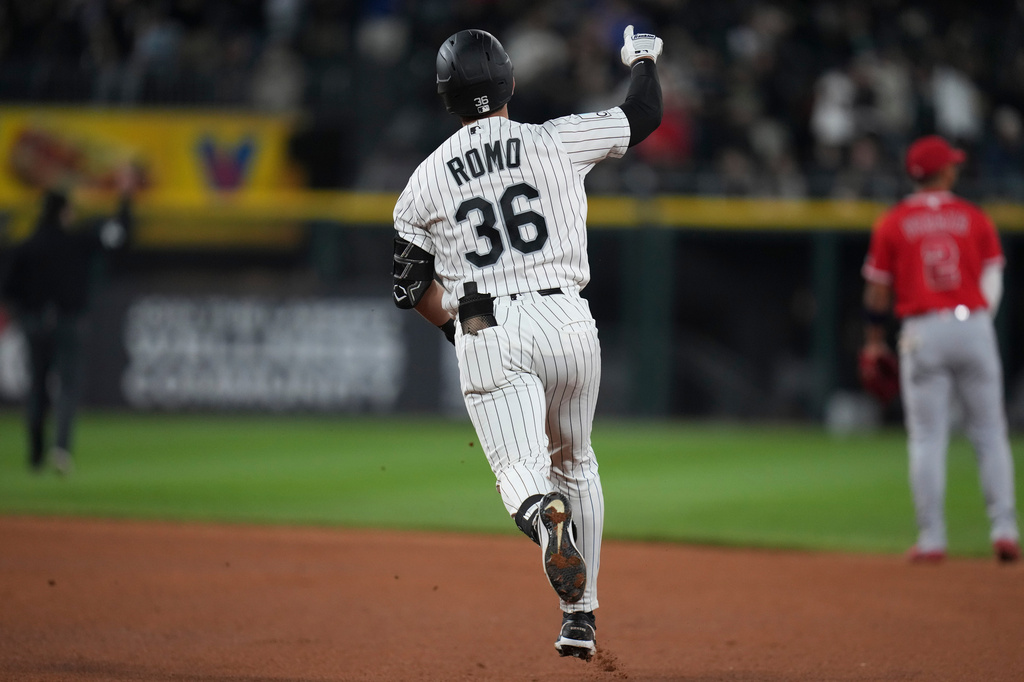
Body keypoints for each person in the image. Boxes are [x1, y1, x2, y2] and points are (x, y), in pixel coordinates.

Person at [391, 27, 663, 658]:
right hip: (569, 319)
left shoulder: (425, 181)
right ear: (510, 82)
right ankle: (580, 618)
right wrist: (644, 58)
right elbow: (643, 113)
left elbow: (410, 285)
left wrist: (459, 333)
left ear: (445, 98)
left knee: (522, 472)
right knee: (577, 461)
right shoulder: (556, 139)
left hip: (488, 324)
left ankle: (543, 518)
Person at [860, 135, 1020, 564]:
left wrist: (874, 341)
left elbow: (877, 291)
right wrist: (980, 320)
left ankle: (932, 538)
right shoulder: (974, 216)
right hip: (974, 326)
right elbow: (993, 275)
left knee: (927, 438)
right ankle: (1004, 529)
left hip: (922, 331)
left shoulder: (893, 222)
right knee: (990, 433)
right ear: (945, 172)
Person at [0, 169, 137, 474]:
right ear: (64, 212)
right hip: (69, 323)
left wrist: (28, 311)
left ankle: (36, 453)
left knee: (37, 387)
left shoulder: (27, 246)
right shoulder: (78, 242)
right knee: (69, 386)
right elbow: (118, 234)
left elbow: (8, 289)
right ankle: (61, 449)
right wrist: (125, 198)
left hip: (35, 324)